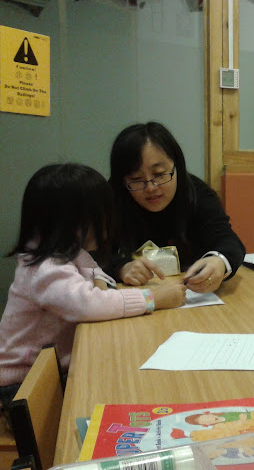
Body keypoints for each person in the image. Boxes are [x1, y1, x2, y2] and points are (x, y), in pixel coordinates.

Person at [0, 163, 186, 412]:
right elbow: (87, 304)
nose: (108, 225)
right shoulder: (45, 268)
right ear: (72, 222)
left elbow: (98, 276)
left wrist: (99, 287)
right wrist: (152, 298)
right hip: (22, 385)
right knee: (126, 384)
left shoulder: (68, 252)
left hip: (53, 368)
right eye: (102, 217)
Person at [107, 122, 246, 293]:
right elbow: (89, 258)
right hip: (135, 299)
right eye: (136, 179)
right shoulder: (110, 199)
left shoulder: (197, 193)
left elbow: (229, 242)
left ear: (177, 166)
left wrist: (218, 261)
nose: (150, 187)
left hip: (192, 295)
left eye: (159, 174)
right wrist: (120, 268)